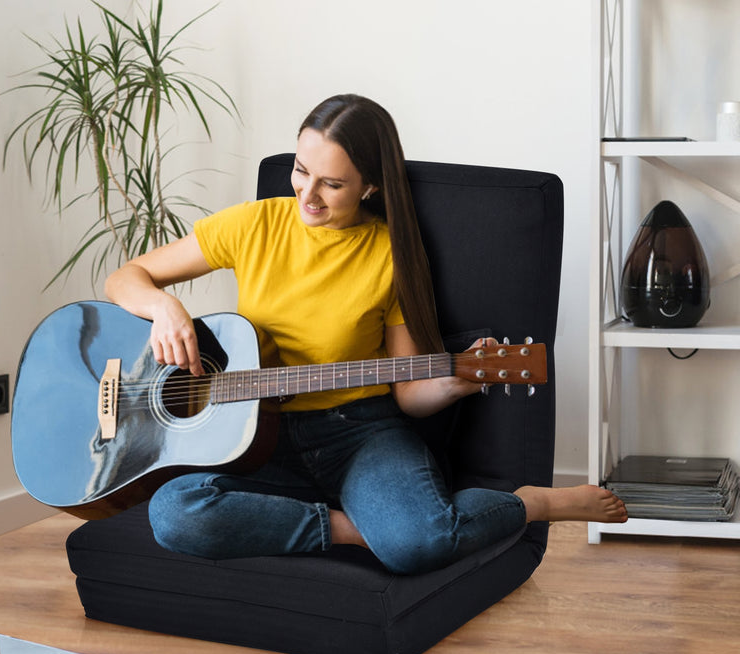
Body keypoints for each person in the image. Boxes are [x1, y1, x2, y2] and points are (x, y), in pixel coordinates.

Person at [105, 93, 627, 575]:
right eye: (300, 171)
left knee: (421, 543)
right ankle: (358, 530)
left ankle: (535, 503)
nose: (307, 195)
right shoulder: (253, 225)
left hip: (359, 434)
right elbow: (123, 278)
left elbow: (409, 396)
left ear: (370, 185)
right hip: (259, 439)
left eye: (331, 184)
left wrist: (457, 378)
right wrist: (163, 306)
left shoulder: (388, 254)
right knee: (176, 513)